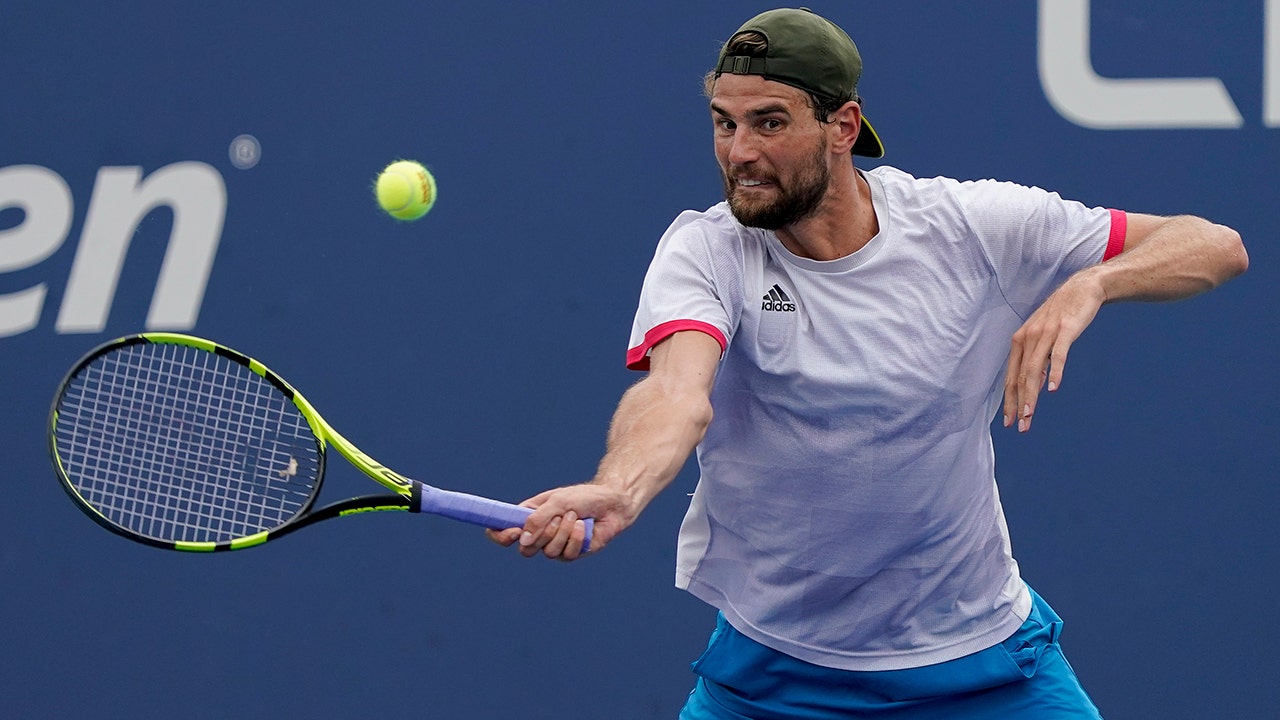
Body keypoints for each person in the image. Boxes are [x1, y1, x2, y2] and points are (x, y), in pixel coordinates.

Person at [488, 7, 1248, 718]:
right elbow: (676, 396)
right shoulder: (705, 250)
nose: (740, 152)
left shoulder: (972, 228)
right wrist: (621, 488)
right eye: (724, 123)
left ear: (842, 127)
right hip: (773, 676)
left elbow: (1216, 244)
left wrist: (1093, 283)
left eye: (769, 122)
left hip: (983, 665)